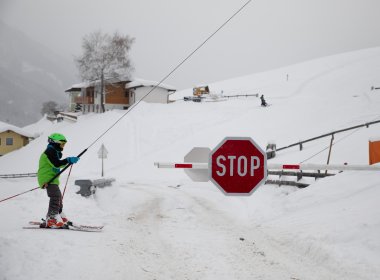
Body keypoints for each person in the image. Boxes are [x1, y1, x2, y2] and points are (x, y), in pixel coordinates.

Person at [37, 133, 80, 228]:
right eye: (62, 144)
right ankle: (52, 218)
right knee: (55, 196)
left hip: (52, 178)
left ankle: (59, 214)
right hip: (47, 179)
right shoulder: (49, 151)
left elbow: (58, 163)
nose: (63, 146)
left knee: (58, 197)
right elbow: (56, 164)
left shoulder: (54, 151)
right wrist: (68, 160)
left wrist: (68, 161)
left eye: (64, 144)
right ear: (55, 143)